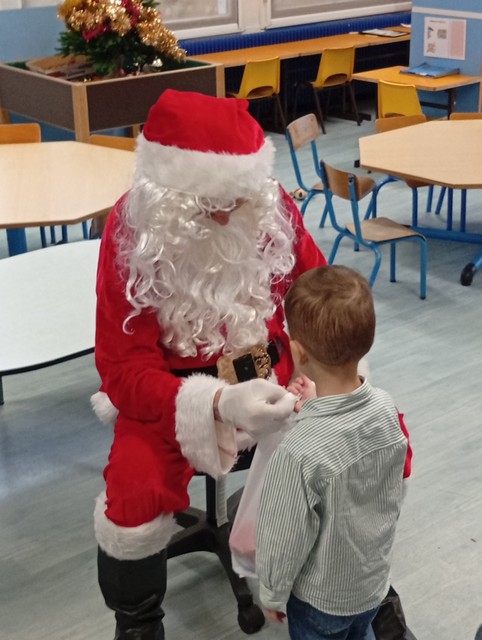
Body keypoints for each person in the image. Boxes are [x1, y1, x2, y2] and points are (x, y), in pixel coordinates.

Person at [90, 88, 328, 640]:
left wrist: (319, 371)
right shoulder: (133, 230)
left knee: (361, 440)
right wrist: (217, 402)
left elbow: (317, 294)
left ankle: (368, 596)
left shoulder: (271, 208)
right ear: (166, 192)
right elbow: (123, 371)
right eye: (203, 204)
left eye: (236, 200)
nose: (223, 213)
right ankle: (138, 624)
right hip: (171, 398)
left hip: (280, 377)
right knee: (133, 493)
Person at [255, 264, 410, 640]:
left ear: (298, 352)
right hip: (372, 585)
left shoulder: (298, 451)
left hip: (321, 600)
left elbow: (283, 535)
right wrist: (314, 404)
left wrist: (272, 592)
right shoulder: (386, 408)